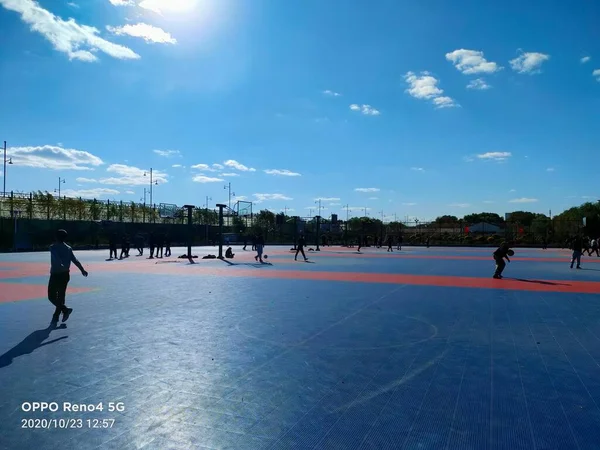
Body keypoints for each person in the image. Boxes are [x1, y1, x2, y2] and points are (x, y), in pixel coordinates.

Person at [49, 229, 88, 323]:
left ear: (56, 237)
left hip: (56, 274)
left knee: (51, 296)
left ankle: (60, 313)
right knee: (61, 296)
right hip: (65, 274)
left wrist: (60, 264)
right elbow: (75, 260)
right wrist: (82, 270)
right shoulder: (68, 248)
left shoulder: (53, 247)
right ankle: (62, 312)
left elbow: (56, 257)